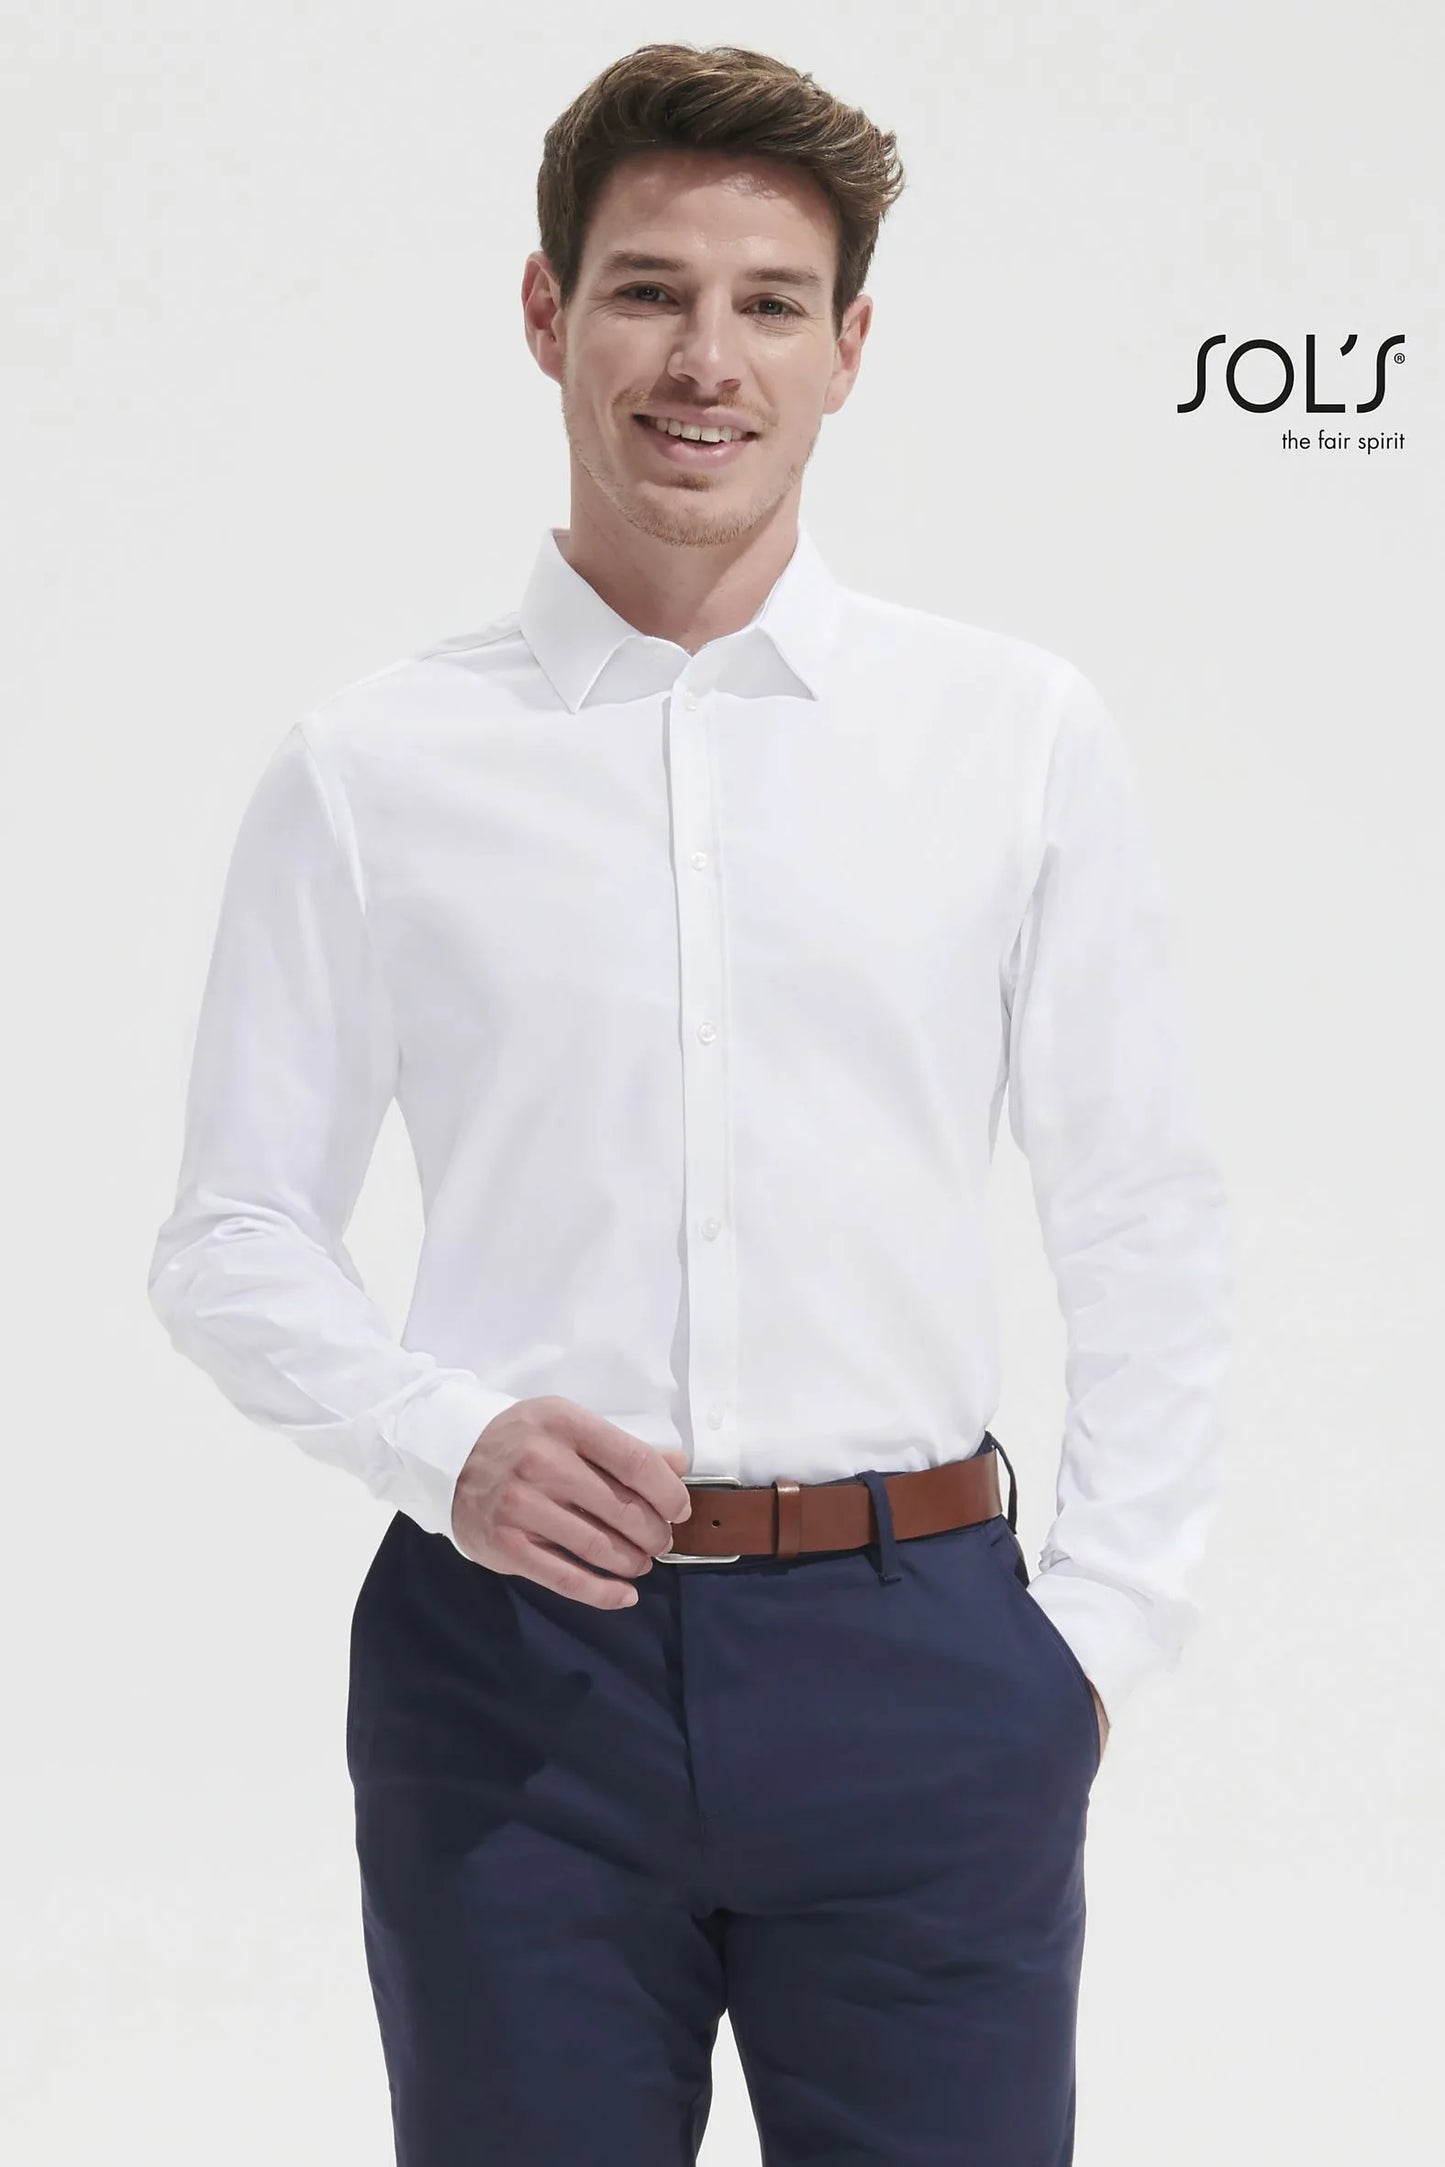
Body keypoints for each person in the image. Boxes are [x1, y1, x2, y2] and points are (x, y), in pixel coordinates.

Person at [146, 39, 1234, 2167]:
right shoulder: (373, 768)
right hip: (511, 1682)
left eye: (765, 304)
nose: (702, 360)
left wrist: (1088, 1650)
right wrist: (441, 1438)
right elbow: (230, 1232)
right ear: (546, 313)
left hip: (926, 1665)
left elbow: (1143, 1214)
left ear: (849, 349)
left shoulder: (1009, 736)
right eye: (647, 290)